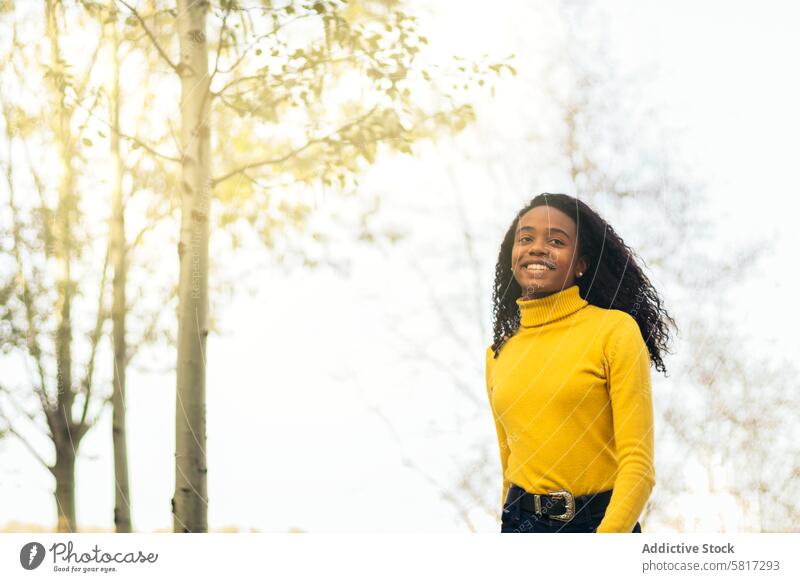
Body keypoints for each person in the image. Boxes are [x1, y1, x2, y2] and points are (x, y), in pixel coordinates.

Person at [485, 193, 676, 533]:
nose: (537, 248)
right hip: (520, 523)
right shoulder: (499, 353)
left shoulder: (614, 331)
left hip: (599, 522)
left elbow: (639, 467)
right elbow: (509, 466)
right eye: (525, 238)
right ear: (512, 255)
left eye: (556, 240)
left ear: (580, 264)